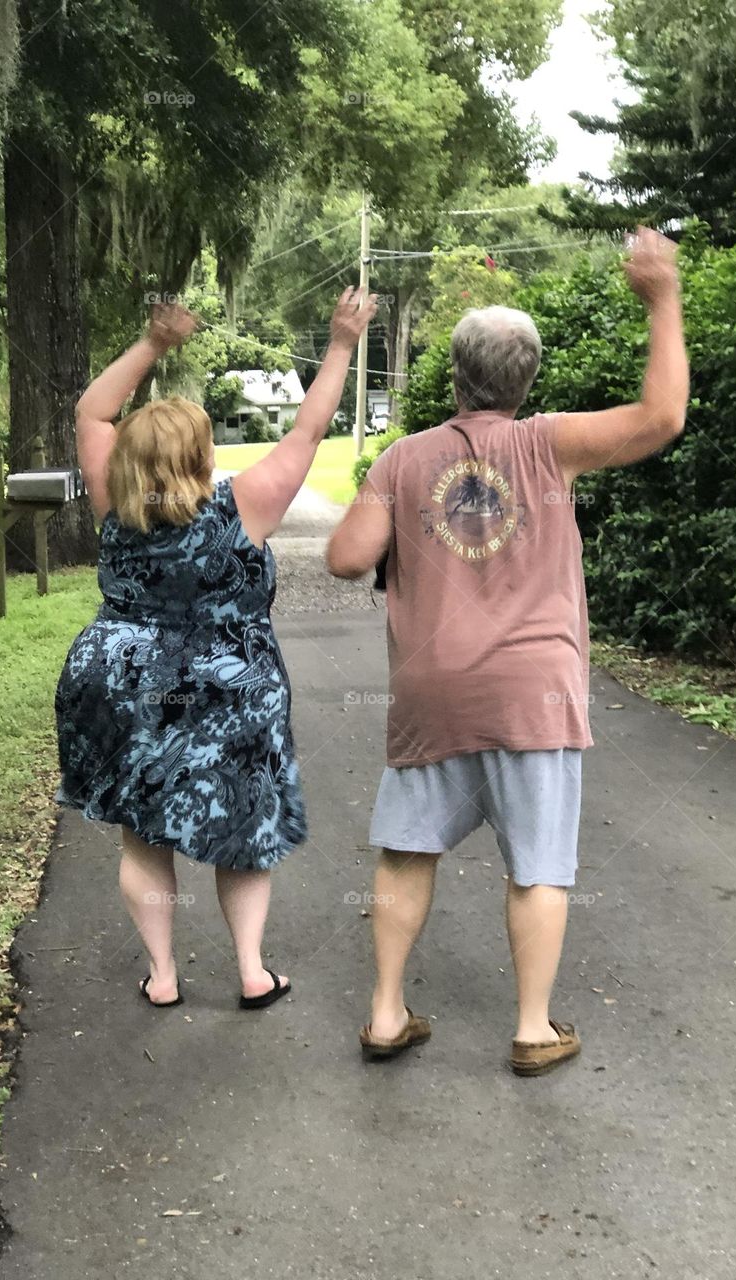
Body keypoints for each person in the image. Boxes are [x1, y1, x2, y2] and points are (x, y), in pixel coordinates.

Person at [327, 227, 688, 1073]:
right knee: (539, 864)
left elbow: (345, 559)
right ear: (526, 381)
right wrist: (661, 296)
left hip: (432, 690)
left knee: (407, 849)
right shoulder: (551, 445)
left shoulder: (404, 459)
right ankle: (531, 1029)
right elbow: (663, 416)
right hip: (537, 694)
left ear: (456, 375)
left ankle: (385, 1014)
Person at [56, 287, 378, 1010]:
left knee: (143, 835)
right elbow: (308, 430)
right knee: (242, 825)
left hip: (124, 678)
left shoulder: (113, 500)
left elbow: (91, 412)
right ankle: (252, 972)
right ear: (203, 456)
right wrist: (340, 344)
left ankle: (164, 976)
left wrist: (154, 344)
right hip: (230, 687)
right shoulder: (247, 506)